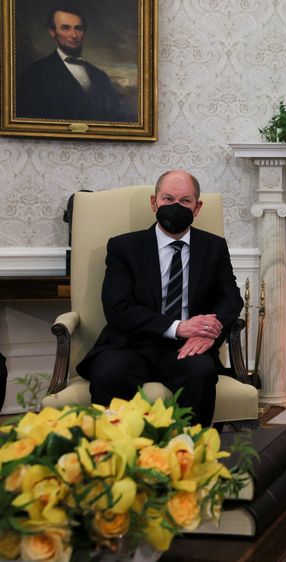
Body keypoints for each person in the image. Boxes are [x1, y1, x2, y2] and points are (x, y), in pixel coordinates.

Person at [77, 170, 244, 426]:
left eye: (185, 201)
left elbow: (231, 298)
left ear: (197, 207)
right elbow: (118, 308)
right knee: (109, 373)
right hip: (130, 343)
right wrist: (179, 327)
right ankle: (114, 457)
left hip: (187, 348)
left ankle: (189, 456)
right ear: (154, 202)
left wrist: (208, 330)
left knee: (200, 372)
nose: (175, 207)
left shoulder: (214, 247)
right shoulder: (124, 248)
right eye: (168, 199)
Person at [17, 5, 132, 122]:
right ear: (52, 32)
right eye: (65, 28)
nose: (74, 35)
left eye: (78, 28)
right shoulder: (34, 74)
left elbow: (116, 118)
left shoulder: (100, 76)